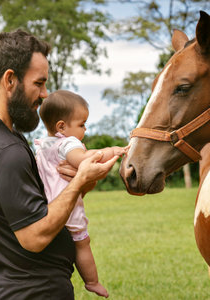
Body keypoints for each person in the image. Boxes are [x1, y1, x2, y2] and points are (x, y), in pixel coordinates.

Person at [0, 29, 119, 299]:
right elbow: (34, 236)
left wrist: (80, 184)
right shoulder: (4, 149)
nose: (45, 94)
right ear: (10, 80)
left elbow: (38, 205)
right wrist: (80, 180)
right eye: (39, 83)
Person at [35, 90, 126, 298]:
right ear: (62, 127)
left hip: (47, 206)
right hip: (68, 207)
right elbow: (84, 160)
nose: (86, 128)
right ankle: (92, 281)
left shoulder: (43, 145)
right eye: (82, 124)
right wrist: (113, 150)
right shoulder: (68, 142)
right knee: (82, 243)